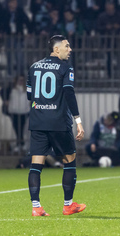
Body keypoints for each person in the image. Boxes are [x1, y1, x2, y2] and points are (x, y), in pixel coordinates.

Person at [26, 35, 85, 216]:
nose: (70, 49)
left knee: (36, 164)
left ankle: (36, 207)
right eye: (67, 46)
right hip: (59, 122)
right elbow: (68, 92)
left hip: (38, 121)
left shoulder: (34, 67)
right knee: (70, 161)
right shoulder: (65, 67)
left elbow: (30, 95)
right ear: (56, 49)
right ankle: (68, 205)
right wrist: (78, 120)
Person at [8, 75, 30, 151]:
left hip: (24, 112)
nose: (21, 82)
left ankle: (22, 144)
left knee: (23, 128)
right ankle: (18, 144)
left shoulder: (27, 90)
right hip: (15, 112)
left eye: (22, 80)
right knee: (16, 129)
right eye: (19, 80)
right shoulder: (13, 90)